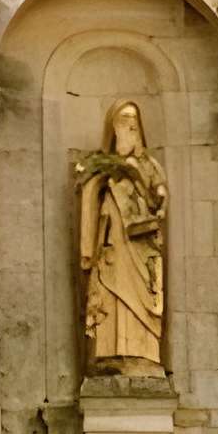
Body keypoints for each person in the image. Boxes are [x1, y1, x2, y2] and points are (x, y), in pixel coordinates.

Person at [76, 99, 170, 374]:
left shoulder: (149, 164)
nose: (128, 127)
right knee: (111, 291)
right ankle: (109, 354)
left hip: (142, 242)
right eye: (122, 121)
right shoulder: (103, 165)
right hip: (112, 241)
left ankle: (144, 353)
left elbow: (160, 190)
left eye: (133, 122)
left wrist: (160, 204)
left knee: (145, 293)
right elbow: (88, 196)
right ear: (112, 127)